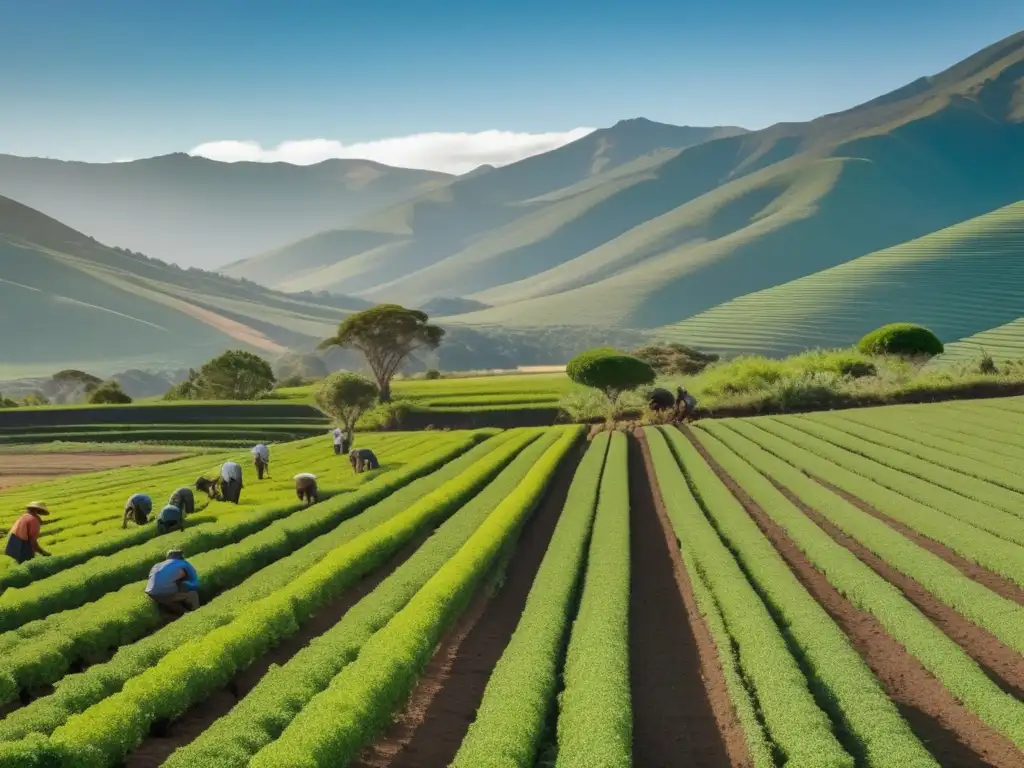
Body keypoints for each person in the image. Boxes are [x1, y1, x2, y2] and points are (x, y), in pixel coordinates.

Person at [145, 548, 200, 615]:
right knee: (193, 594)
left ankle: (184, 613)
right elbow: (195, 583)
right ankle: (197, 613)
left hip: (152, 594)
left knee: (168, 597)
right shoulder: (183, 563)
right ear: (181, 557)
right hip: (166, 593)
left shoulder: (157, 565)